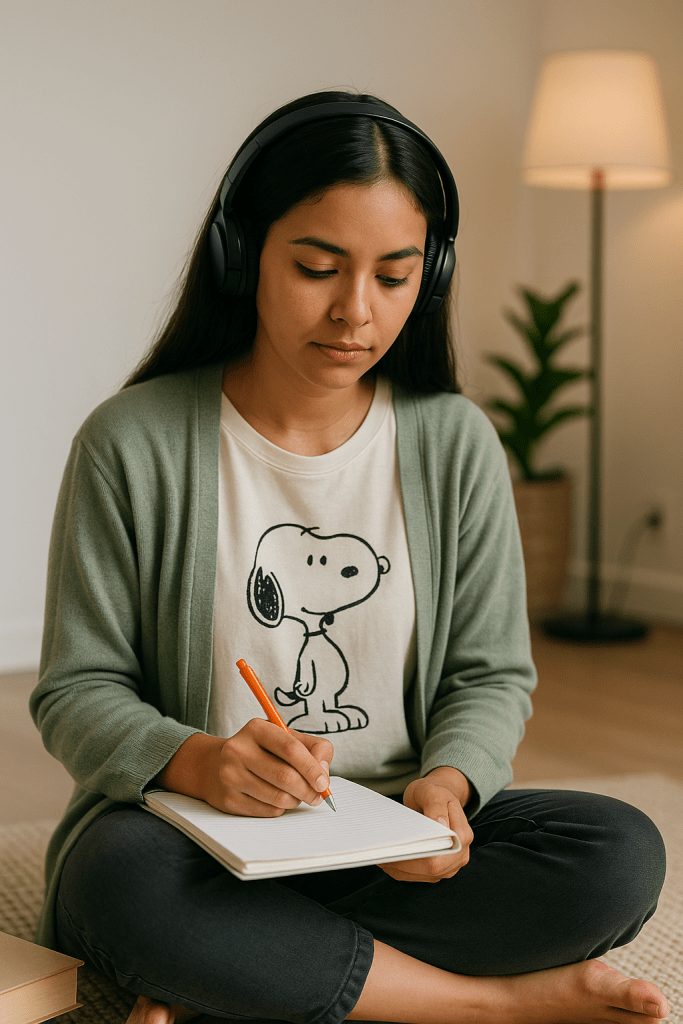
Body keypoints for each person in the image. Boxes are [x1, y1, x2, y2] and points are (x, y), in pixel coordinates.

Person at [31, 90, 669, 1024]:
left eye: (394, 277)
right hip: (194, 837)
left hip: (389, 841)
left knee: (617, 852)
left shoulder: (454, 442)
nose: (354, 313)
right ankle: (487, 1005)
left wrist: (443, 792)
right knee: (115, 884)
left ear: (430, 277)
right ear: (240, 254)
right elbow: (76, 689)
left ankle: (231, 977)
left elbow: (489, 675)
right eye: (318, 268)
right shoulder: (132, 441)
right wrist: (198, 762)